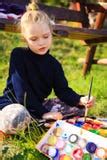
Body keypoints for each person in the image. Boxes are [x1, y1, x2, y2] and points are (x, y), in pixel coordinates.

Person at [0, 1, 95, 133]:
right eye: (34, 39)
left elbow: (63, 91)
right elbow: (22, 94)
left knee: (78, 108)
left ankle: (40, 123)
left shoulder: (54, 64)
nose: (41, 42)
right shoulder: (18, 55)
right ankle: (37, 123)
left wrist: (80, 99)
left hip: (38, 105)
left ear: (51, 33)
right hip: (14, 105)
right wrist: (44, 113)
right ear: (25, 38)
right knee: (17, 116)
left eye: (45, 36)